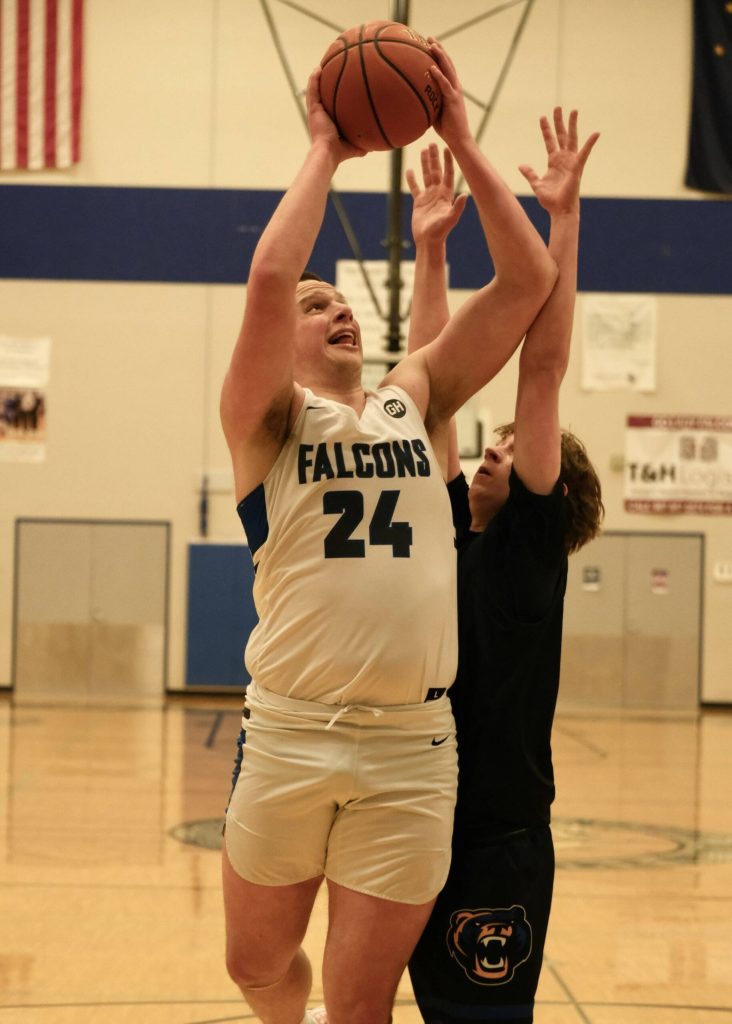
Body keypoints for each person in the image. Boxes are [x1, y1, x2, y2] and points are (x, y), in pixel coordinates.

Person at [219, 40, 557, 1024]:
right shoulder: (267, 422)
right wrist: (324, 146)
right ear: (281, 333)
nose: (338, 310)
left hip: (412, 747)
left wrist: (459, 130)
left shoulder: (413, 400)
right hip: (289, 731)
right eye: (315, 303)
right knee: (259, 968)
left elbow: (527, 278)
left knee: (359, 1006)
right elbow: (267, 274)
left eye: (345, 302)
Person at [405, 111, 603, 1023]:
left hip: (495, 839)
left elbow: (542, 367)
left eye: (517, 452)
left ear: (547, 497)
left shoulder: (527, 561)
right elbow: (433, 388)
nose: (493, 451)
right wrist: (434, 254)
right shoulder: (454, 532)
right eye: (497, 445)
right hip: (411, 818)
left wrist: (561, 219)